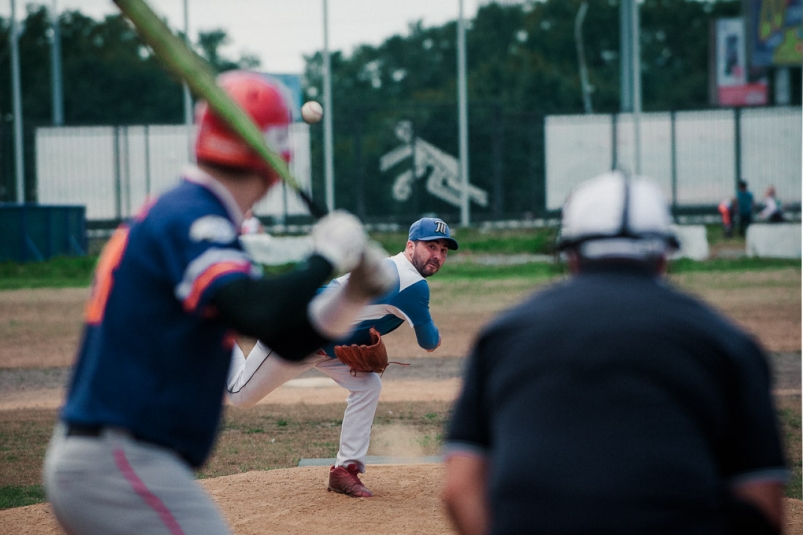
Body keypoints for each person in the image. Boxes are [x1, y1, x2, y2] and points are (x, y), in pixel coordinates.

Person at [42, 70, 394, 535]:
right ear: (275, 163)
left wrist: (351, 295)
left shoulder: (190, 214)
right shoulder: (194, 217)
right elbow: (257, 312)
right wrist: (325, 257)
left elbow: (287, 340)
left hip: (123, 461)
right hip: (119, 462)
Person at [442, 170, 788, 535]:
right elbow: (762, 505)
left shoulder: (502, 335)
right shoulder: (728, 342)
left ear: (572, 255)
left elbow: (459, 488)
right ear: (663, 255)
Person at [226, 217, 457, 497]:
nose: (437, 255)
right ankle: (220, 339)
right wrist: (438, 337)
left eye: (443, 250)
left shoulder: (389, 266)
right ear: (411, 246)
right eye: (431, 246)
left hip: (327, 345)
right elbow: (429, 341)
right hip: (295, 331)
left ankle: (344, 470)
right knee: (240, 396)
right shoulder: (412, 284)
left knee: (367, 385)